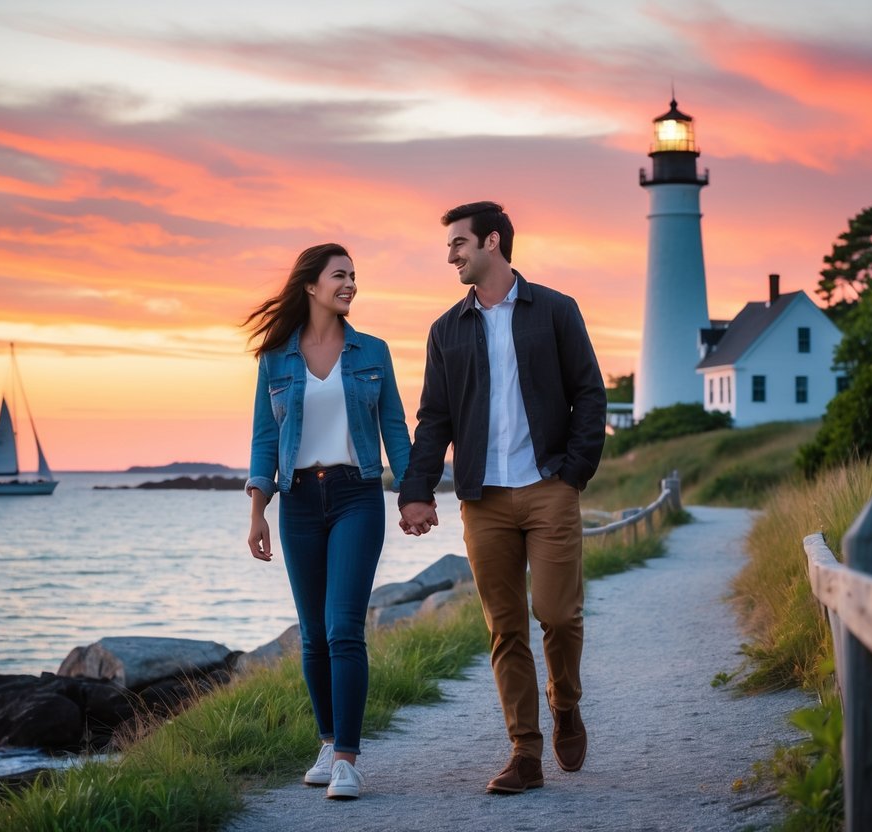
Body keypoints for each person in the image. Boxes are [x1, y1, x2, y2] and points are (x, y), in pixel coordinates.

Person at [398, 202, 606, 794]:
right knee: (505, 628)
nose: (451, 255)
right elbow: (434, 419)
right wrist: (416, 491)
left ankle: (565, 703)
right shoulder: (446, 330)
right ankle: (525, 752)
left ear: (492, 242)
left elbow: (589, 394)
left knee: (560, 616)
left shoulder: (556, 311)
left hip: (548, 488)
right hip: (482, 499)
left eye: (459, 244)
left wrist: (573, 473)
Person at [244, 242, 411, 800]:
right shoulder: (276, 358)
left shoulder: (373, 352)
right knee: (312, 635)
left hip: (356, 495)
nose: (351, 285)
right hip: (296, 503)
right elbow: (264, 441)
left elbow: (395, 430)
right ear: (311, 285)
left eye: (354, 277)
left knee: (343, 626)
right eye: (340, 275)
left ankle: (347, 759)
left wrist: (413, 494)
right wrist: (257, 512)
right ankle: (326, 740)